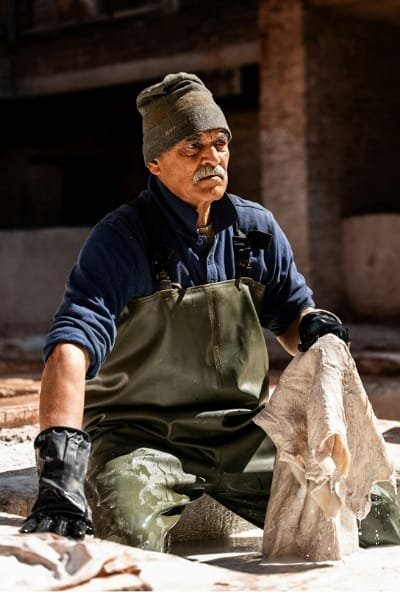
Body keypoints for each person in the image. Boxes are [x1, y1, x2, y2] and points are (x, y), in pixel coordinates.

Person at [20, 72, 351, 552]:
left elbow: (291, 318)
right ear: (154, 163)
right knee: (125, 537)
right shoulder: (122, 238)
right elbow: (70, 349)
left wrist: (315, 327)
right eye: (191, 147)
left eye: (220, 143)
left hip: (242, 431)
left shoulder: (255, 229)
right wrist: (58, 475)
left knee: (367, 509)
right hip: (139, 437)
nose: (211, 158)